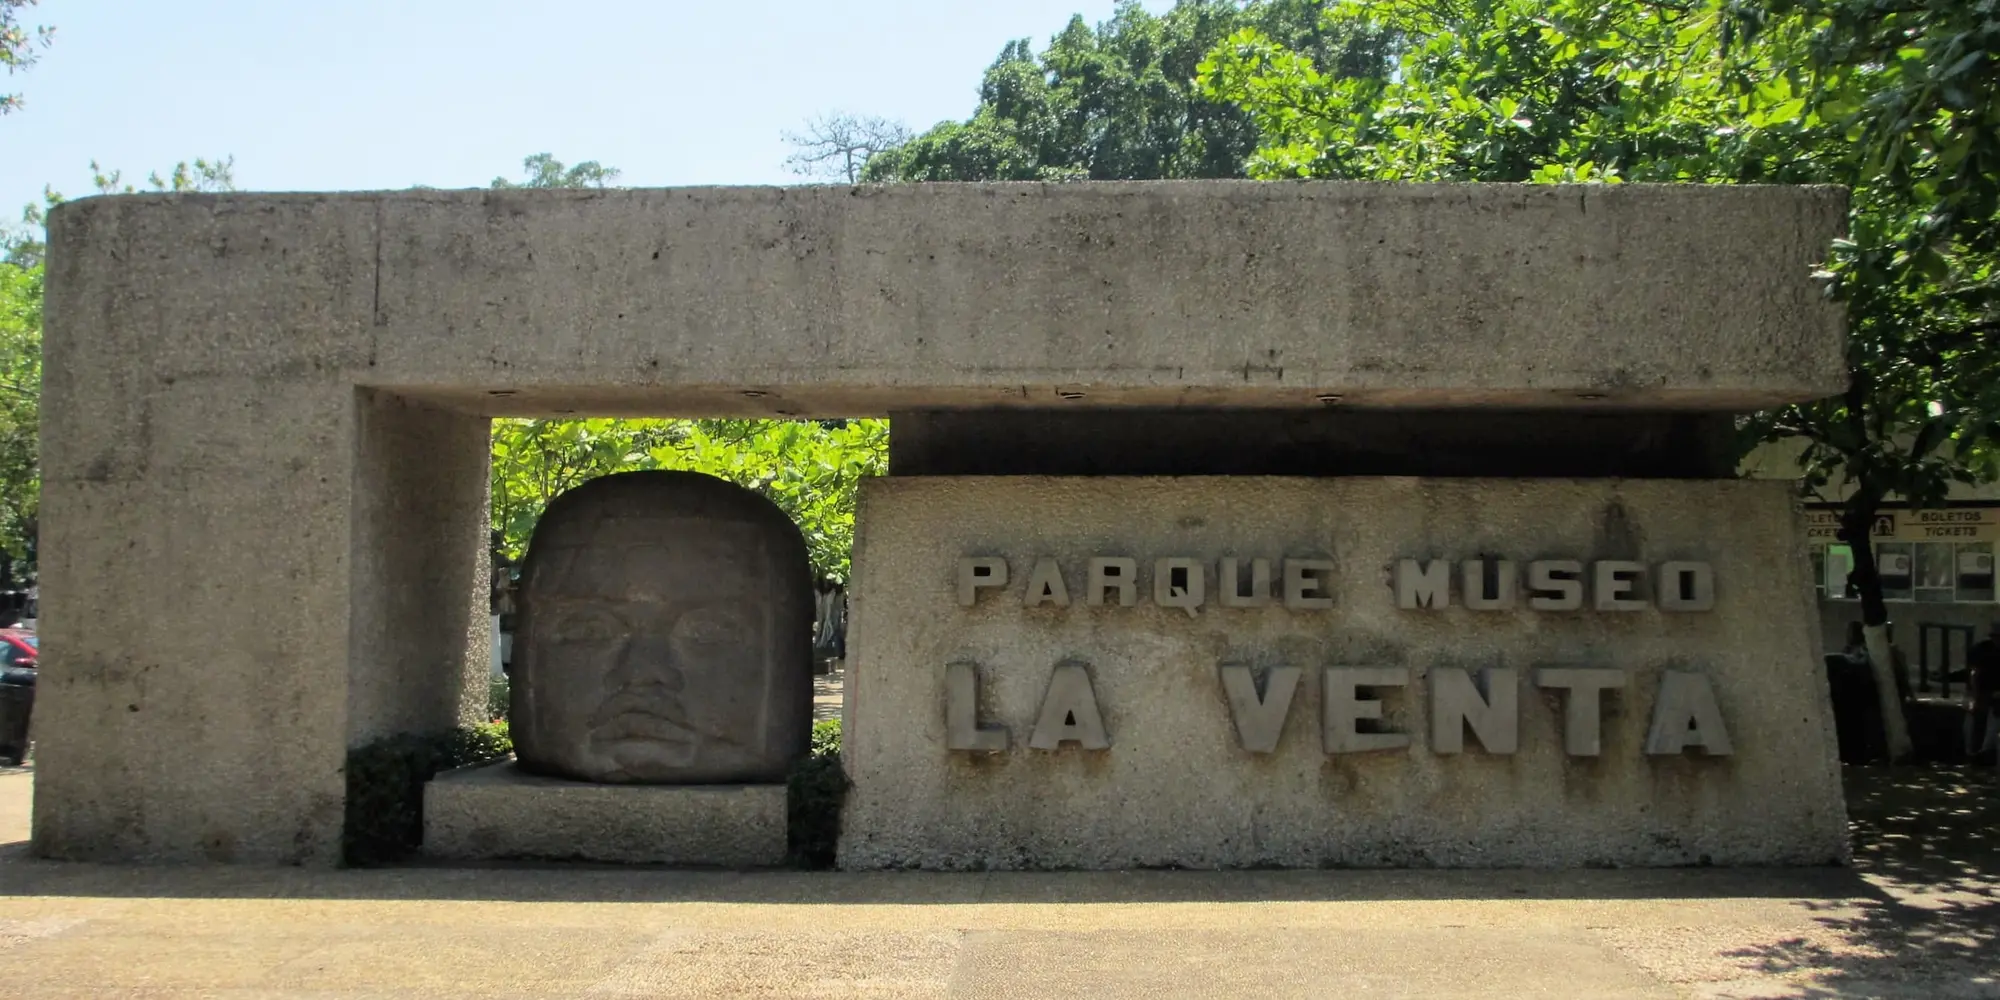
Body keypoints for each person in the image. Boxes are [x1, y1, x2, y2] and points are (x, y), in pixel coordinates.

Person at [1967, 622, 2000, 762]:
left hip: (1995, 692)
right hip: (1984, 690)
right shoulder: (1982, 650)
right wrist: (1974, 696)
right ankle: (1974, 750)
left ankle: (1985, 749)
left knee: (1995, 713)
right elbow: (1974, 674)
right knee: (1976, 715)